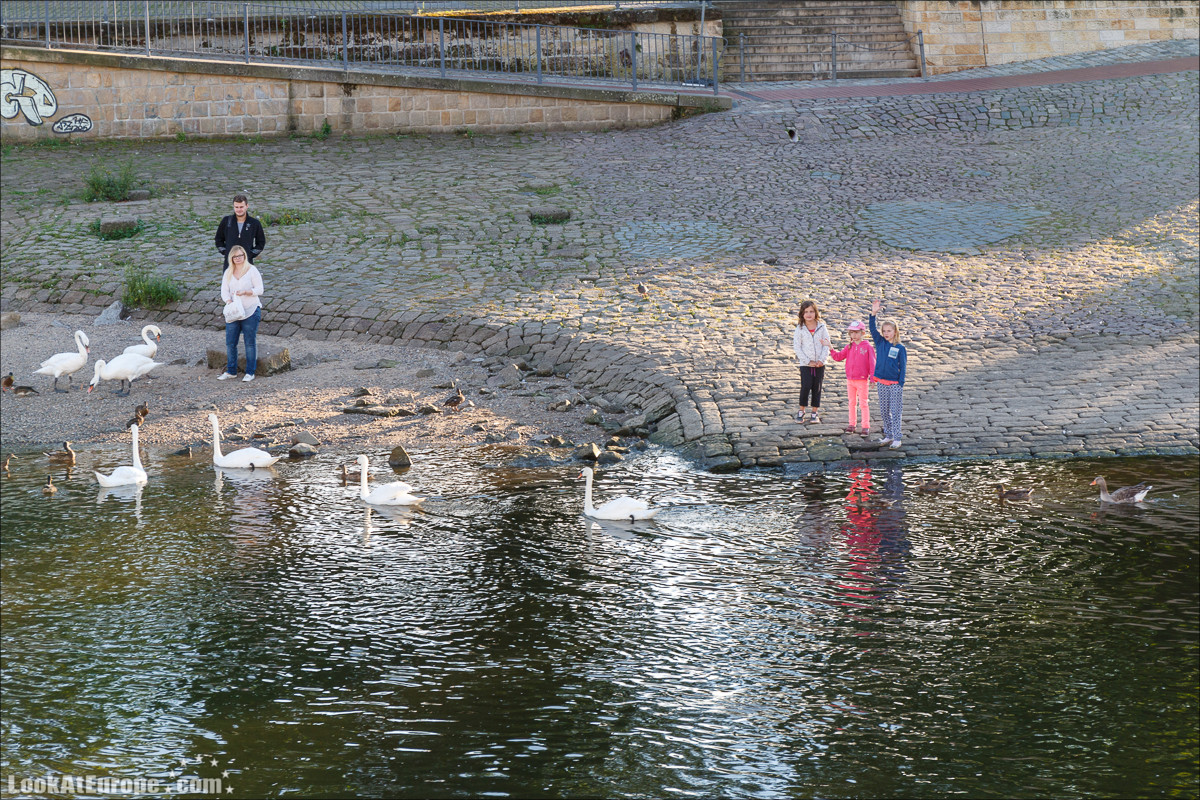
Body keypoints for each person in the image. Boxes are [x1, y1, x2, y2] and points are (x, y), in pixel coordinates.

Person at [218, 246, 263, 383]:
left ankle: (250, 372)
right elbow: (224, 291)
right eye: (235, 256)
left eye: (240, 255)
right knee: (230, 342)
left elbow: (260, 289)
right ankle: (231, 370)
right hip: (234, 312)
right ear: (231, 258)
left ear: (244, 256)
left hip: (250, 310)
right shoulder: (228, 272)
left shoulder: (252, 270)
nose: (238, 258)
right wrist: (229, 300)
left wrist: (246, 292)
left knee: (249, 342)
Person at [869, 298, 907, 449]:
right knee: (884, 411)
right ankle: (889, 435)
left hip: (895, 384)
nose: (886, 333)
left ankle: (897, 437)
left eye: (889, 331)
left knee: (895, 411)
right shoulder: (880, 342)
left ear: (895, 331)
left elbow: (903, 366)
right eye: (884, 331)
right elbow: (872, 329)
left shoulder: (900, 348)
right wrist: (873, 314)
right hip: (881, 382)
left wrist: (900, 382)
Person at [830, 320, 876, 434]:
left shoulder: (867, 347)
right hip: (850, 380)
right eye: (851, 333)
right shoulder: (849, 347)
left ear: (862, 333)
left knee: (863, 403)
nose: (854, 335)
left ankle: (865, 426)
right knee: (851, 402)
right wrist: (830, 348)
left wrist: (872, 378)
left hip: (862, 380)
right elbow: (838, 357)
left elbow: (872, 363)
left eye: (856, 332)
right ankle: (852, 424)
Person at [792, 299, 831, 423]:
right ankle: (801, 410)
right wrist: (808, 361)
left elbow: (826, 344)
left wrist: (821, 360)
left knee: (817, 387)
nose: (809, 314)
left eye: (811, 311)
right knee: (805, 386)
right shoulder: (800, 329)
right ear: (802, 314)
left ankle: (814, 412)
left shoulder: (822, 327)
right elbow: (797, 347)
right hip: (806, 364)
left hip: (820, 364)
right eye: (806, 312)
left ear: (816, 313)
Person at [214, 194, 265, 271]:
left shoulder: (254, 223)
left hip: (247, 262)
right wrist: (226, 252)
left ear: (247, 206)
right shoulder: (226, 221)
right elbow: (218, 239)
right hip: (229, 263)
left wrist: (249, 254)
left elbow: (261, 242)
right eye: (236, 207)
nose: (239, 209)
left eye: (241, 207)